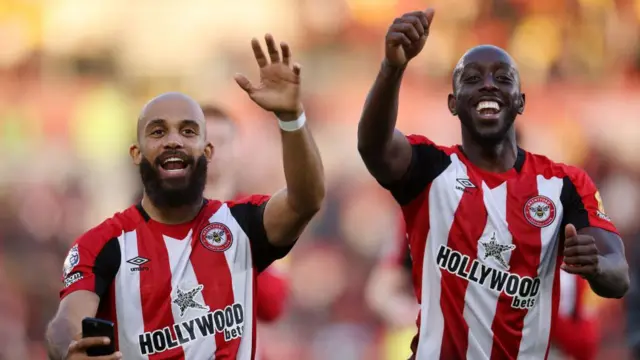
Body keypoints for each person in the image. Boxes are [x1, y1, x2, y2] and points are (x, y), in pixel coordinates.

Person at [357, 8, 629, 360]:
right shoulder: (430, 171)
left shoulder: (564, 185)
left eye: (503, 78)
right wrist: (392, 68)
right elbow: (372, 145)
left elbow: (618, 276)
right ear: (453, 104)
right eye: (472, 78)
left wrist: (596, 267)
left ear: (521, 101)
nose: (488, 84)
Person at [45, 34, 325, 360]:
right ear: (136, 153)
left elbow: (306, 199)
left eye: (188, 131)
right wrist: (69, 349)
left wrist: (291, 118)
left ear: (208, 151)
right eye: (158, 131)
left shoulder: (241, 225)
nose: (173, 141)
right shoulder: (105, 243)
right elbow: (65, 320)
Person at [202, 104, 290, 359]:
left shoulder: (263, 216)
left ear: (237, 149)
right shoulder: (162, 219)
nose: (213, 151)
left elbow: (273, 305)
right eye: (205, 141)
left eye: (221, 141)